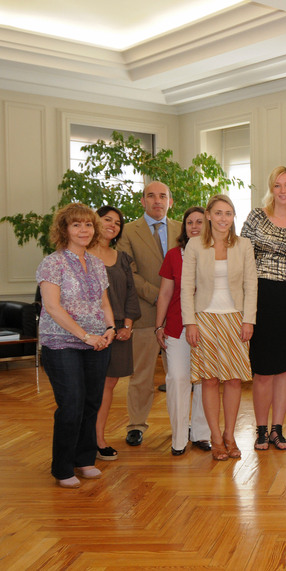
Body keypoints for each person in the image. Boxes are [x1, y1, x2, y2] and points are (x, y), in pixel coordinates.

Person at [37, 203, 117, 488]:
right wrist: (85, 335)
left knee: (92, 402)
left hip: (98, 342)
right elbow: (53, 307)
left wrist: (110, 328)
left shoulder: (96, 263)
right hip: (62, 343)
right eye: (76, 225)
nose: (84, 230)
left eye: (88, 224)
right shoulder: (53, 262)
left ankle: (84, 459)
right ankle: (62, 467)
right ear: (64, 229)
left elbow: (104, 302)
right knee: (71, 404)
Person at [241, 166, 286, 452]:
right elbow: (242, 257)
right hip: (259, 296)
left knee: (283, 369)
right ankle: (260, 430)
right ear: (272, 189)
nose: (283, 190)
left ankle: (277, 430)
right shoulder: (256, 216)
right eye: (278, 185)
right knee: (262, 370)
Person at [181, 194, 257, 461]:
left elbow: (251, 285)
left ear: (233, 217)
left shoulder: (244, 245)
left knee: (234, 379)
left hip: (235, 319)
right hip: (205, 319)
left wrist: (249, 319)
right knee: (210, 380)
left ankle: (230, 435)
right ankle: (215, 437)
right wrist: (189, 322)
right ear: (209, 215)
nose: (224, 218)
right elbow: (186, 287)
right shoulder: (194, 245)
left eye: (229, 213)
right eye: (219, 213)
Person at [117, 181, 181, 447]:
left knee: (180, 374)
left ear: (170, 201)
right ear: (142, 201)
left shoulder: (183, 228)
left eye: (162, 196)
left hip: (179, 315)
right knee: (141, 375)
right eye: (151, 196)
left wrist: (175, 300)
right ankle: (136, 425)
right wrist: (159, 295)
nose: (157, 201)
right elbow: (127, 272)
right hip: (144, 313)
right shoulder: (128, 231)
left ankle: (182, 424)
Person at [155, 206, 211, 456]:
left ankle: (201, 434)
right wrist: (159, 325)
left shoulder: (217, 253)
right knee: (178, 379)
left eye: (200, 222)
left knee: (204, 382)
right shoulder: (173, 256)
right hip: (177, 327)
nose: (195, 226)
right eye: (190, 222)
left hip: (211, 328)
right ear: (184, 227)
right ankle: (179, 438)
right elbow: (165, 293)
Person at [89, 206, 141, 461]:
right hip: (88, 330)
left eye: (118, 222)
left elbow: (131, 292)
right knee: (89, 386)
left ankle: (98, 439)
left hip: (120, 329)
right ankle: (84, 441)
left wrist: (128, 325)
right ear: (94, 221)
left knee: (108, 384)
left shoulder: (121, 258)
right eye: (107, 219)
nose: (112, 225)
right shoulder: (80, 254)